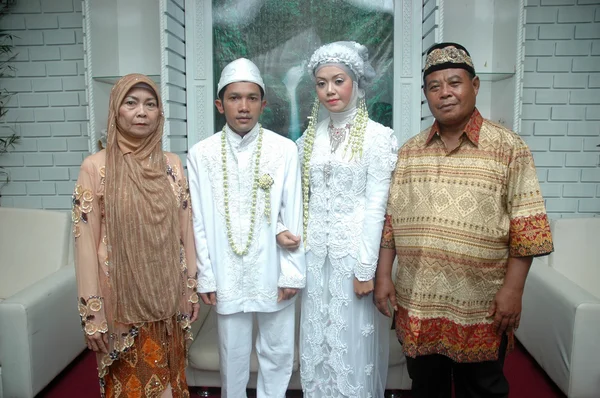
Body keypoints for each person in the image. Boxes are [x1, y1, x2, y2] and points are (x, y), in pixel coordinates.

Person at [374, 42, 554, 398]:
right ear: (426, 94)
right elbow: (391, 222)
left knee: (482, 389)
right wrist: (383, 276)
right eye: (435, 87)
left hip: (481, 306)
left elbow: (528, 228)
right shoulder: (409, 152)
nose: (445, 94)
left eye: (454, 82)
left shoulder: (509, 148)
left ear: (475, 85)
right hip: (419, 301)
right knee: (426, 387)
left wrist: (513, 291)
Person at [72, 74, 200, 398]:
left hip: (167, 299)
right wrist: (92, 312)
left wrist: (191, 287)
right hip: (119, 303)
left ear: (160, 114)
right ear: (116, 111)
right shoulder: (95, 167)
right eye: (131, 103)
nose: (141, 112)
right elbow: (84, 242)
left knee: (169, 385)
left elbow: (186, 227)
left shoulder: (172, 165)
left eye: (150, 104)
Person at [187, 58, 305, 398]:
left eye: (252, 98)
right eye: (235, 98)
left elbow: (293, 212)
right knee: (232, 353)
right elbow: (198, 221)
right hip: (225, 270)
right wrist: (205, 275)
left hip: (273, 267)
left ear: (263, 104)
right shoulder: (201, 154)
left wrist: (292, 273)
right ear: (219, 104)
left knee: (278, 351)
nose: (243, 106)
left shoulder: (283, 150)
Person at [288, 41, 398, 398]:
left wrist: (366, 269)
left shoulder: (379, 138)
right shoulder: (308, 139)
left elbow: (376, 205)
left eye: (338, 80)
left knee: (349, 344)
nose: (329, 90)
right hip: (315, 257)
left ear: (357, 82)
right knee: (318, 343)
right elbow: (296, 199)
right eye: (321, 83)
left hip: (354, 259)